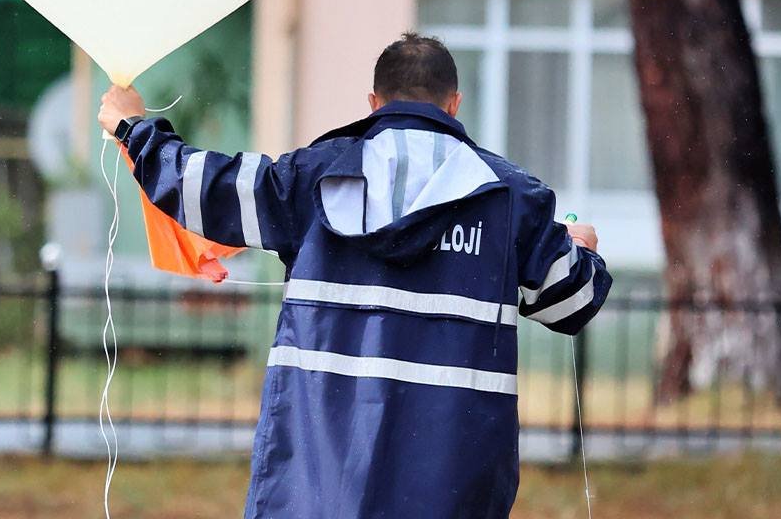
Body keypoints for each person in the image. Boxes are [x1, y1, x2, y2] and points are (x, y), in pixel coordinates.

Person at [98, 32, 611, 519]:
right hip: (451, 481)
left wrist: (133, 127)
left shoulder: (312, 177)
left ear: (373, 102)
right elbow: (571, 302)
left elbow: (207, 190)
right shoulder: (509, 196)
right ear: (454, 103)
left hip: (318, 480)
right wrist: (581, 248)